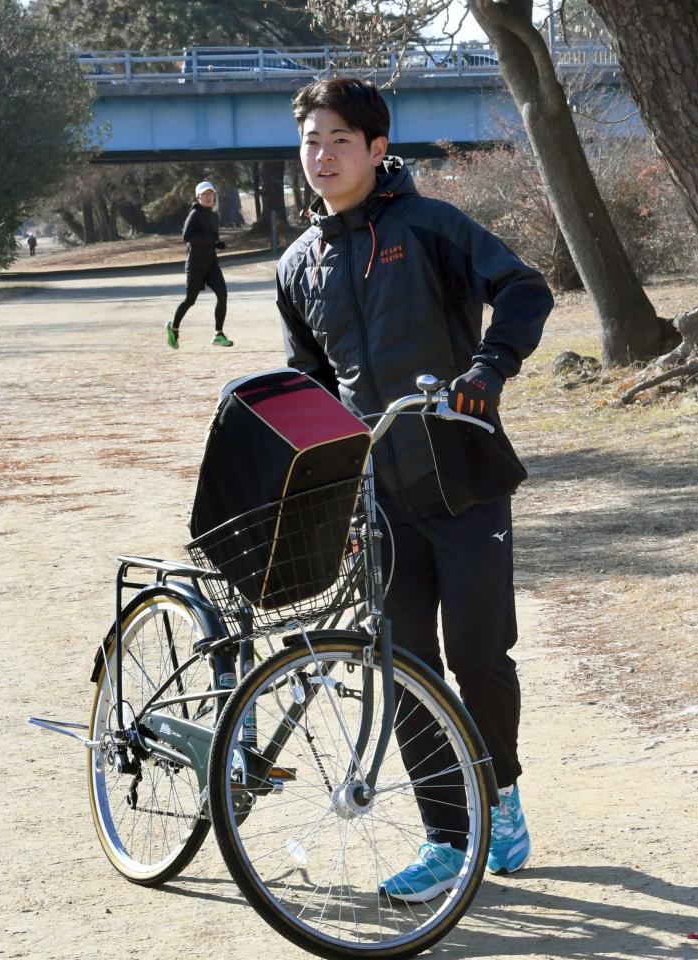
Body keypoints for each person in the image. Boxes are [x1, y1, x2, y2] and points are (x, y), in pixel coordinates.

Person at [276, 77, 554, 900]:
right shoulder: (297, 265)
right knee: (402, 666)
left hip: (463, 477)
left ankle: (498, 793)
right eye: (310, 141)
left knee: (475, 651)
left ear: (376, 148)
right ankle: (444, 835)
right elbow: (311, 383)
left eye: (338, 140)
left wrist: (488, 368)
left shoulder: (428, 225)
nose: (321, 156)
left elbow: (525, 289)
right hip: (379, 497)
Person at [166, 180, 232, 349]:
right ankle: (174, 328)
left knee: (222, 295)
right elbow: (186, 237)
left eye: (211, 194)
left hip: (211, 263)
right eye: (205, 194)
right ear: (198, 197)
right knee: (190, 300)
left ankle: (218, 333)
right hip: (195, 265)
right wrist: (208, 239)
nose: (209, 197)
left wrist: (217, 244)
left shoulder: (214, 215)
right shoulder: (194, 214)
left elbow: (212, 237)